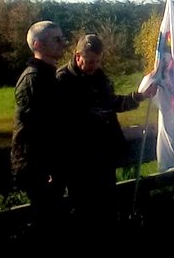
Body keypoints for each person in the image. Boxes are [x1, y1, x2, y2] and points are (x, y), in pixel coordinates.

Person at [55, 34, 154, 241]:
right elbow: (60, 119)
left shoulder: (100, 76)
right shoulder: (62, 79)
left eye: (98, 61)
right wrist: (89, 115)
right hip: (79, 158)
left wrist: (137, 97)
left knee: (107, 203)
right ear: (78, 56)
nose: (93, 66)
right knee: (84, 208)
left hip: (104, 153)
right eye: (90, 61)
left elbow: (112, 103)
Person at [11, 20, 68, 244]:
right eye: (56, 39)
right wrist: (48, 168)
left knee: (52, 222)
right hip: (39, 169)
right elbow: (36, 131)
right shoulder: (34, 79)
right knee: (47, 225)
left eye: (62, 38)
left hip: (48, 166)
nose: (63, 43)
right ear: (37, 45)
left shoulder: (48, 76)